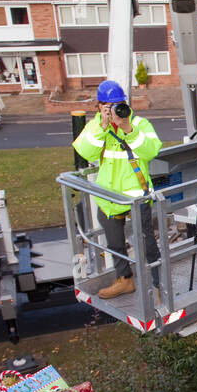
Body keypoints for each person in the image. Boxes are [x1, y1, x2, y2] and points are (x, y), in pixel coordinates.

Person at [73, 79, 164, 300]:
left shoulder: (139, 124)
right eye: (109, 105)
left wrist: (128, 129)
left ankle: (159, 283)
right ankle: (124, 280)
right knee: (114, 243)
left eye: (119, 104)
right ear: (100, 106)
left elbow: (151, 151)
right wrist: (102, 126)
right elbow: (86, 152)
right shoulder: (96, 127)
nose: (116, 109)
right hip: (108, 197)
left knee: (146, 241)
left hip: (136, 196)